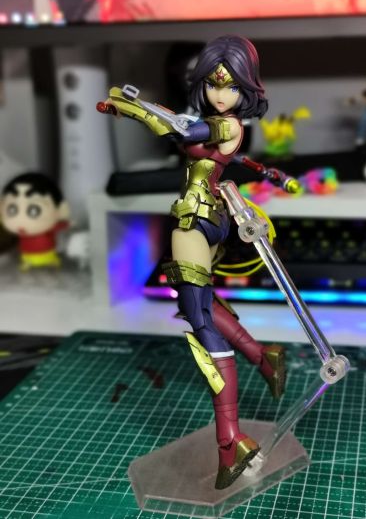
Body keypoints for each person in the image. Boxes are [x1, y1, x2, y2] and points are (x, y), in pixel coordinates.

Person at [101, 35, 285, 490]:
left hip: (197, 223)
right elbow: (183, 131)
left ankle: (230, 440)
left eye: (231, 86)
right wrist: (138, 109)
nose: (221, 94)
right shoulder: (214, 123)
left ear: (246, 89)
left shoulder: (227, 125)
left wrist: (137, 110)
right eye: (214, 84)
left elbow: (187, 132)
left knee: (201, 325)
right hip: (203, 219)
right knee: (199, 305)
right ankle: (262, 356)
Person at [0, 172, 69, 270]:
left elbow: (61, 225)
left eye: (34, 210)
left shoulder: (48, 227)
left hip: (47, 254)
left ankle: (51, 260)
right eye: (12, 209)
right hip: (26, 255)